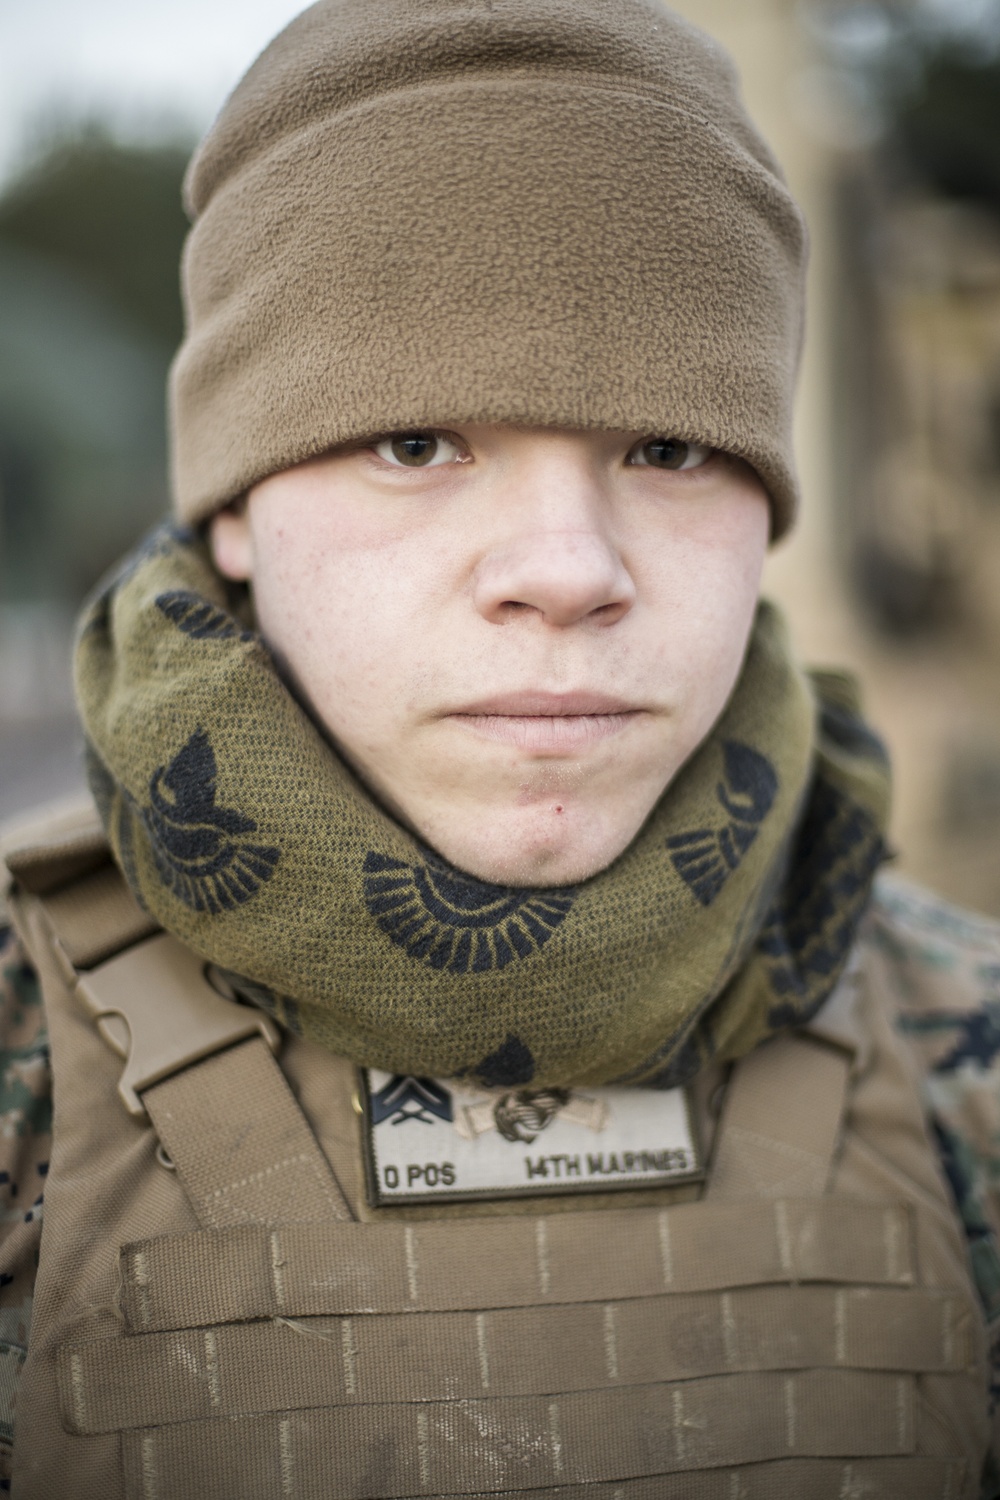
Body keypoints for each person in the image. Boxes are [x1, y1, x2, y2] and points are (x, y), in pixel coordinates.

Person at [0, 0, 997, 1494]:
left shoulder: (969, 1060)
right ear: (234, 510)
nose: (566, 566)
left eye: (667, 446)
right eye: (416, 443)